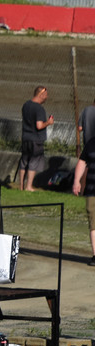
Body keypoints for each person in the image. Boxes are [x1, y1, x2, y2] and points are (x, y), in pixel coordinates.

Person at [72, 97, 95, 267]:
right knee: (93, 221)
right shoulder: (92, 143)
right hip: (92, 189)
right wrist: (76, 181)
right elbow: (82, 161)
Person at [17, 86, 53, 192]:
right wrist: (48, 122)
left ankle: (21, 186)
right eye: (46, 95)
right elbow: (39, 125)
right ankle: (29, 186)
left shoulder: (26, 105)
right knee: (33, 162)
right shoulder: (39, 109)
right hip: (36, 139)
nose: (47, 97)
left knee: (24, 161)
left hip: (25, 137)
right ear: (41, 95)